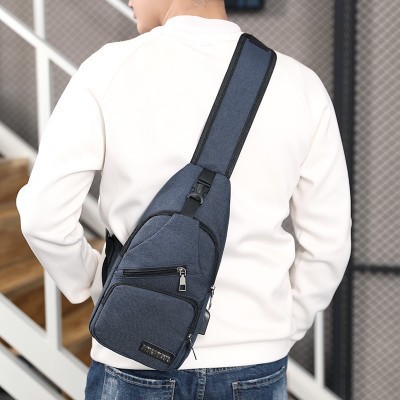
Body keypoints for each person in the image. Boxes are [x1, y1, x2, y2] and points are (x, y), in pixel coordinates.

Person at [16, 0, 352, 399]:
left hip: (134, 352)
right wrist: (280, 325)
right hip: (256, 361)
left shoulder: (108, 70)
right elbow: (329, 242)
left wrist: (103, 288)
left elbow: (43, 217)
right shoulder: (299, 85)